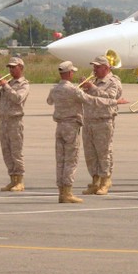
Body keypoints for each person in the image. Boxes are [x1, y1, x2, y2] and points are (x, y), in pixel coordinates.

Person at [80, 54, 127, 195]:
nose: (94, 69)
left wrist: (92, 88)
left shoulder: (113, 82)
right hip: (88, 120)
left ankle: (105, 180)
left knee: (103, 152)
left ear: (106, 68)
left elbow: (111, 98)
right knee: (90, 153)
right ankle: (95, 180)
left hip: (103, 120)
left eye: (98, 67)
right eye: (94, 66)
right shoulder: (93, 80)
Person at [46, 61, 85, 203]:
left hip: (60, 126)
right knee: (71, 160)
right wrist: (113, 102)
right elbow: (89, 100)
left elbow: (49, 101)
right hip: (71, 126)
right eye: (72, 72)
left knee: (60, 160)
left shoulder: (55, 89)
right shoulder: (73, 90)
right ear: (69, 73)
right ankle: (67, 192)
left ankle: (61, 192)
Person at [0, 56, 29, 192]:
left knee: (16, 151)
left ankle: (20, 180)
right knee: (6, 151)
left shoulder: (23, 84)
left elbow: (18, 98)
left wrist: (5, 85)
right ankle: (12, 179)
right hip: (3, 120)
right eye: (10, 67)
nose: (11, 70)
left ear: (21, 68)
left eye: (13, 67)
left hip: (15, 121)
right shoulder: (8, 83)